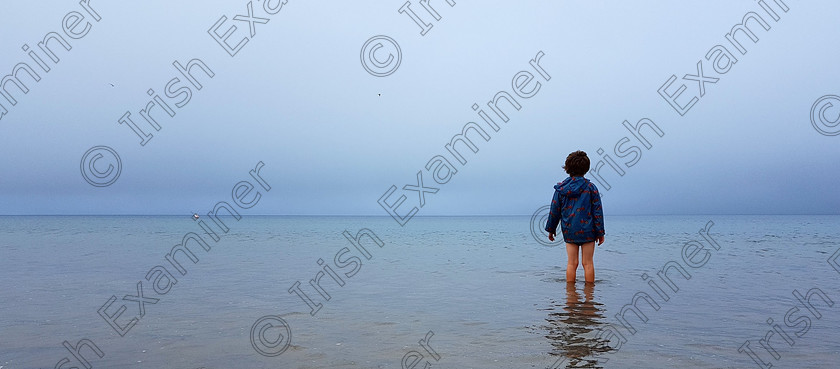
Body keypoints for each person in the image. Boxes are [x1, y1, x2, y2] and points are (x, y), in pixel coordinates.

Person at [545, 151, 605, 283]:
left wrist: (551, 229)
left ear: (567, 168)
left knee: (572, 263)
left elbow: (554, 210)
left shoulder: (561, 189)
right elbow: (597, 212)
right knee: (588, 263)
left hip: (570, 230)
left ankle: (570, 296)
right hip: (588, 231)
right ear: (586, 168)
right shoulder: (591, 188)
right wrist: (600, 232)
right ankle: (589, 298)